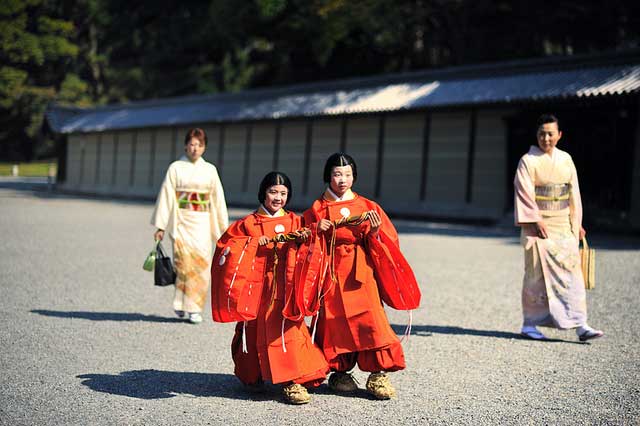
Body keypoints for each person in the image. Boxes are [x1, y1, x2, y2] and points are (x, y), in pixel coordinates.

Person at [218, 171, 328, 405]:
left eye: (283, 193)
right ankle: (254, 374)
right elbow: (227, 247)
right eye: (273, 192)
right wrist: (252, 243)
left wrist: (307, 237)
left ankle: (292, 381)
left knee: (287, 330)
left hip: (286, 286)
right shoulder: (247, 224)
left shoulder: (296, 221)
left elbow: (312, 247)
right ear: (263, 193)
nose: (278, 198)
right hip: (258, 287)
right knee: (255, 328)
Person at [303, 153, 406, 400]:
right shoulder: (318, 208)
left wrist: (376, 232)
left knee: (371, 319)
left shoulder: (368, 206)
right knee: (335, 322)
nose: (343, 180)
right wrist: (316, 230)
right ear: (328, 175)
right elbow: (302, 237)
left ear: (354, 176)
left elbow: (388, 240)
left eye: (348, 174)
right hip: (332, 272)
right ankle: (340, 372)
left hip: (361, 271)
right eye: (338, 174)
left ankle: (378, 373)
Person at [514, 114, 603, 342]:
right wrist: (535, 219)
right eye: (542, 133)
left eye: (550, 133)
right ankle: (530, 324)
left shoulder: (566, 159)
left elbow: (573, 193)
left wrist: (577, 223)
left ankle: (580, 323)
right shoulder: (528, 161)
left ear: (559, 135)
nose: (546, 138)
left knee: (571, 273)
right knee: (535, 275)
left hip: (563, 223)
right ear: (537, 135)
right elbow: (524, 192)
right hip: (538, 226)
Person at [151, 128, 229, 324]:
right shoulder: (175, 168)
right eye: (192, 144)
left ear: (204, 148)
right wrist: (161, 226)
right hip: (182, 221)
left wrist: (223, 229)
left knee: (202, 265)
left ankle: (195, 308)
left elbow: (217, 200)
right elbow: (167, 196)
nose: (195, 149)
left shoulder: (210, 170)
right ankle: (181, 303)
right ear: (186, 145)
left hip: (202, 221)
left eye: (199, 145)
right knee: (183, 264)